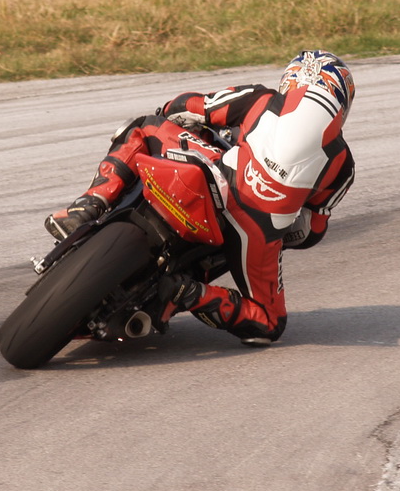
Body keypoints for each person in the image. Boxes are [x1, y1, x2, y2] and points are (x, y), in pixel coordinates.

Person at [44, 50, 356, 346]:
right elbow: (312, 231)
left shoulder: (261, 98)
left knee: (142, 127)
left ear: (291, 79)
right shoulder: (343, 165)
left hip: (220, 181)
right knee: (268, 323)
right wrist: (281, 229)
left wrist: (168, 112)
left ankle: (89, 204)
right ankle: (188, 292)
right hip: (256, 232)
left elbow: (192, 105)